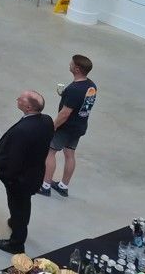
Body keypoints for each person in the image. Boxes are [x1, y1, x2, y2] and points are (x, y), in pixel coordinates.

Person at [0, 91, 55, 254]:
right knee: (21, 205)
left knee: (19, 207)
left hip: (20, 179)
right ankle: (15, 222)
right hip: (34, 174)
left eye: (21, 98)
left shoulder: (22, 130)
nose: (17, 99)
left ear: (28, 107)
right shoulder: (46, 121)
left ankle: (16, 243)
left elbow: (14, 159)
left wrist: (9, 178)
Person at [40, 55, 97, 198]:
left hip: (65, 127)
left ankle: (45, 186)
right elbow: (82, 103)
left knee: (50, 152)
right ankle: (63, 186)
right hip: (79, 127)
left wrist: (52, 127)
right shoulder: (91, 86)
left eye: (71, 63)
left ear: (77, 69)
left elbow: (65, 113)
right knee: (69, 153)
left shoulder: (74, 89)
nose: (69, 64)